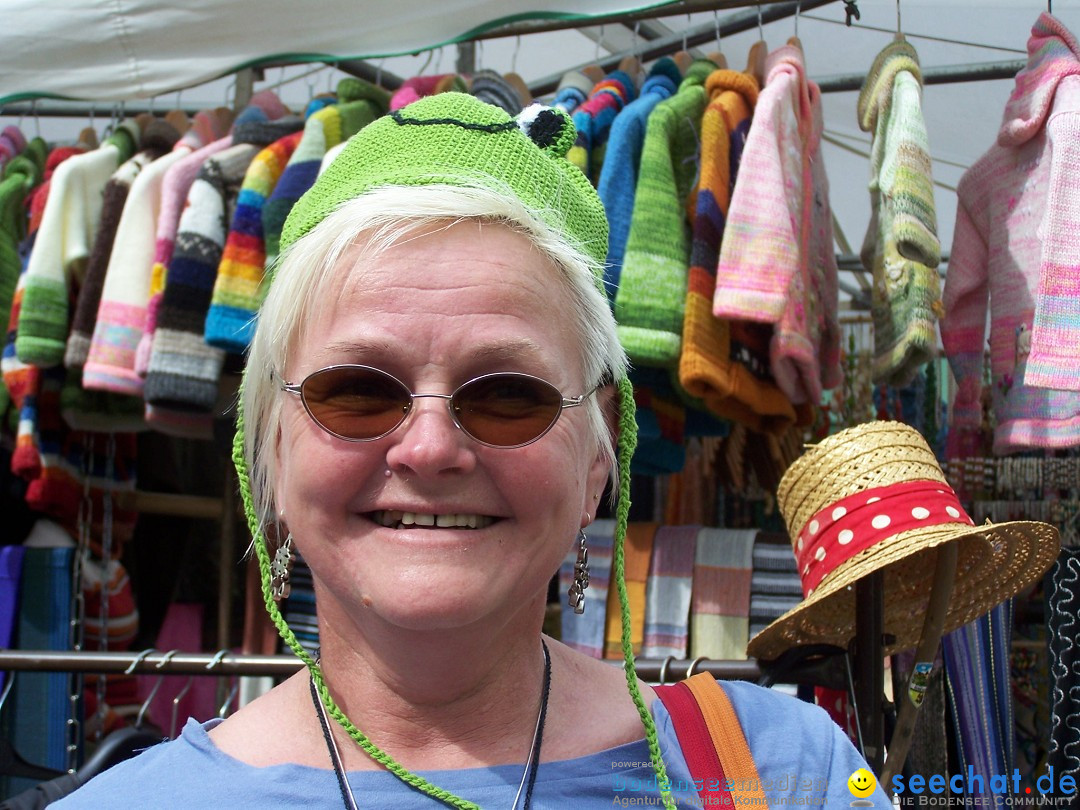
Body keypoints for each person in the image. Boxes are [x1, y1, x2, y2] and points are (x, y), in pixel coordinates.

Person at [53, 93, 890, 808]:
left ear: (598, 455)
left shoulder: (789, 774)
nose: (428, 447)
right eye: (359, 392)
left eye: (507, 397)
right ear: (269, 435)